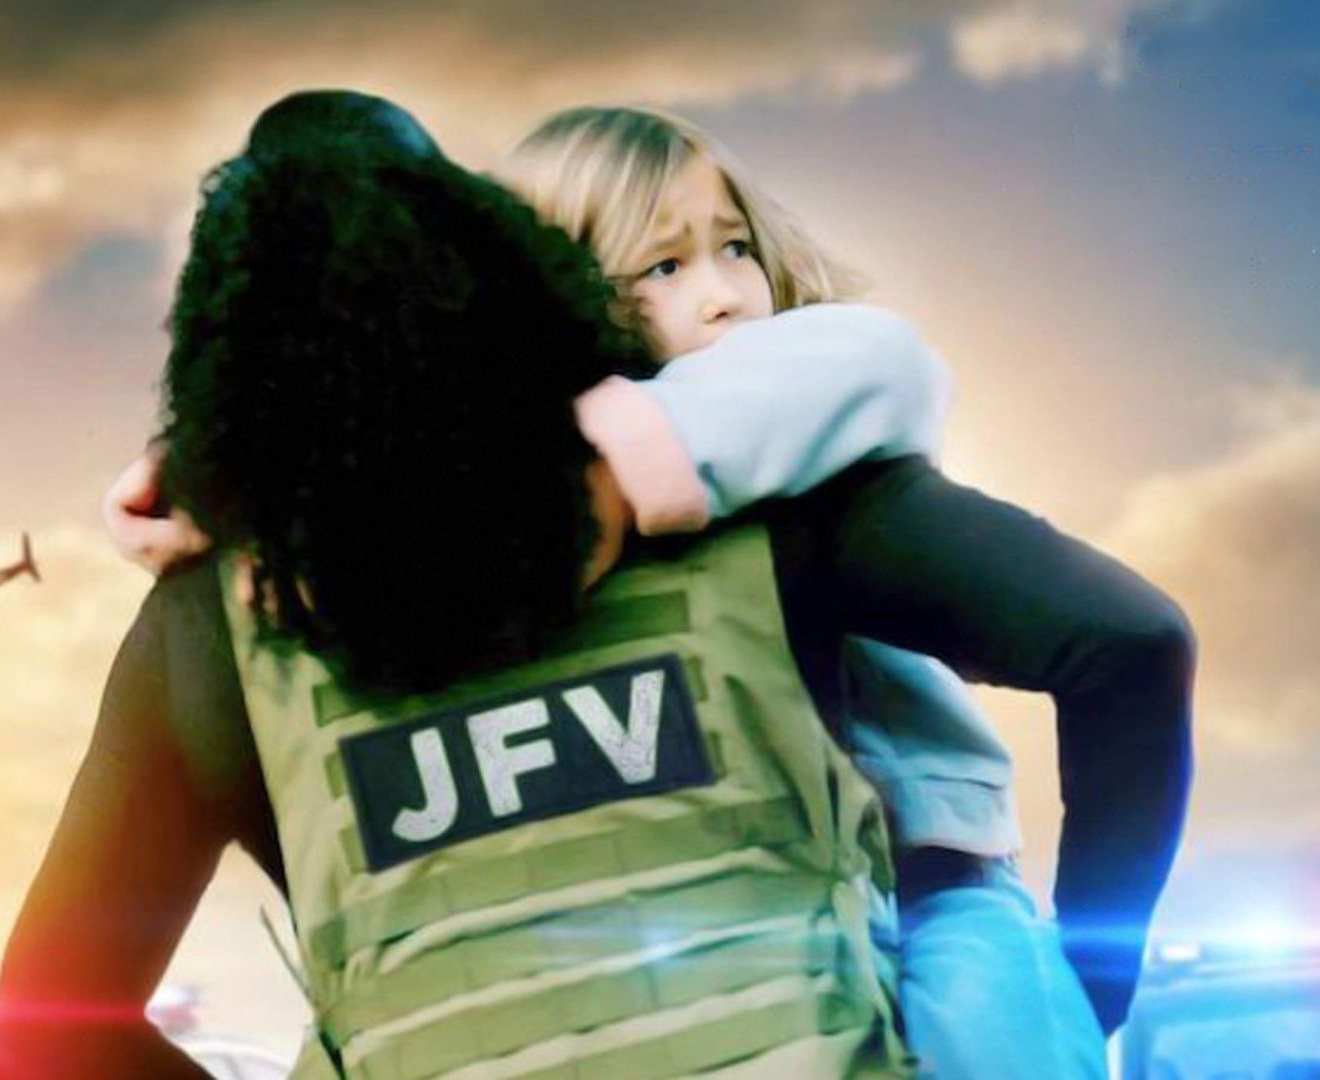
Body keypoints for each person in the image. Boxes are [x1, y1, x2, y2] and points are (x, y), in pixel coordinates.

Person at [107, 104, 1194, 1074]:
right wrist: (229, 479)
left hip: (943, 880)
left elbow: (871, 356)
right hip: (835, 929)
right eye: (661, 267)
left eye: (736, 247)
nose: (722, 297)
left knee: (1006, 1016)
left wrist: (1089, 977)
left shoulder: (787, 424)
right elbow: (1131, 640)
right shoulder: (608, 487)